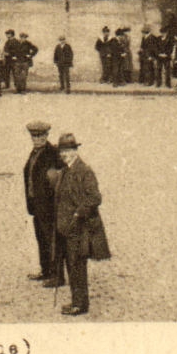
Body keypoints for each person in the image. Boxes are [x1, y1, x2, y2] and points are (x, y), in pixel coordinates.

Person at [52, 133, 109, 316]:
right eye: (62, 151)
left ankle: (80, 304)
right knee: (71, 265)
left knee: (77, 266)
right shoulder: (65, 170)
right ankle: (76, 301)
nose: (65, 154)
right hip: (65, 227)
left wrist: (78, 214)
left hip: (79, 228)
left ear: (75, 151)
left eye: (68, 150)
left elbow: (95, 198)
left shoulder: (84, 171)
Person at [22, 120, 64, 287]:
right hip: (36, 204)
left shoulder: (52, 153)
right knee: (41, 238)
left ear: (47, 136)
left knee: (52, 239)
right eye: (34, 136)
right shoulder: (34, 153)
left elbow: (61, 177)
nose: (37, 139)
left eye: (40, 136)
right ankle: (45, 270)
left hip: (49, 206)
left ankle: (57, 275)